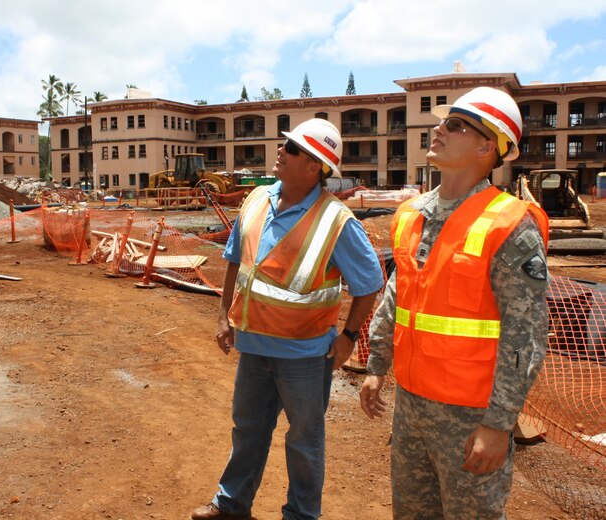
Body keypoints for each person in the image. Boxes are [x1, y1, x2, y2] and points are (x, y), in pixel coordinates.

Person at [360, 87, 550, 519]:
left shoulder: (509, 224)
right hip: (412, 406)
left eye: (457, 125)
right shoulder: (411, 214)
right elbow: (397, 298)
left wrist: (500, 423)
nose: (439, 129)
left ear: (488, 147)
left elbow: (527, 333)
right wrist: (376, 366)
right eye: (443, 122)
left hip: (471, 416)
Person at [191, 118, 384, 520]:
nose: (281, 151)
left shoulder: (336, 221)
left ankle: (300, 515)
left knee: (303, 442)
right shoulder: (257, 199)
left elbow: (369, 284)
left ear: (315, 166)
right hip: (253, 347)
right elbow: (234, 262)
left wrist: (348, 336)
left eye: (292, 149)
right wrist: (225, 317)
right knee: (247, 430)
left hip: (306, 357)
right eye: (286, 145)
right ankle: (231, 505)